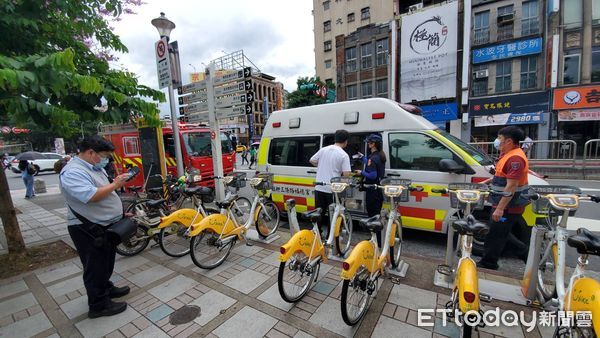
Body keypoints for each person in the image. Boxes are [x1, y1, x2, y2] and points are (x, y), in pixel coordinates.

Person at [59, 136, 131, 319]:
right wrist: (116, 184)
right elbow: (90, 196)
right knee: (95, 266)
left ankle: (106, 288)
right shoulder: (73, 172)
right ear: (91, 152)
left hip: (104, 226)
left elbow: (105, 193)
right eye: (104, 156)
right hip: (87, 228)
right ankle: (98, 305)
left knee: (106, 262)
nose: (106, 160)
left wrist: (120, 213)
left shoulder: (92, 167)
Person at [478, 126, 531, 270]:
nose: (497, 141)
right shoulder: (507, 154)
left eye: (500, 138)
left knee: (497, 234)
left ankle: (526, 254)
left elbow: (512, 186)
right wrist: (486, 182)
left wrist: (500, 209)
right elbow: (500, 176)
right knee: (498, 232)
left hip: (508, 205)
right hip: (502, 202)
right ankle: (490, 261)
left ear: (509, 141)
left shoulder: (515, 159)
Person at [310, 129, 352, 235]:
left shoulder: (324, 149)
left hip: (319, 187)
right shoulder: (343, 155)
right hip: (333, 190)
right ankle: (330, 238)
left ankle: (317, 235)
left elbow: (312, 160)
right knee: (332, 215)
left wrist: (320, 166)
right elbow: (347, 174)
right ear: (346, 141)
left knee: (319, 213)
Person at [355, 134, 386, 246]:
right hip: (377, 190)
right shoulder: (379, 155)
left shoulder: (373, 158)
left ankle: (376, 242)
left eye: (369, 142)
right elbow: (372, 165)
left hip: (372, 191)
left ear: (374, 144)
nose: (368, 144)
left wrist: (361, 172)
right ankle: (377, 240)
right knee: (376, 215)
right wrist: (363, 158)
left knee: (373, 217)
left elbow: (372, 175)